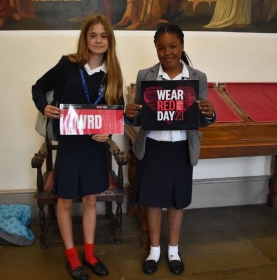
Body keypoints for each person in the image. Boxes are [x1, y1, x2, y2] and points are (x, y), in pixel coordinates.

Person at [32, 14, 124, 280]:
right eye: (93, 35)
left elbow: (116, 115)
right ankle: (72, 256)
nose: (98, 40)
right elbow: (38, 87)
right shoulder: (67, 65)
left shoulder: (113, 74)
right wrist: (44, 106)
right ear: (85, 38)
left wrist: (107, 132)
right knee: (64, 201)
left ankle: (90, 254)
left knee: (90, 200)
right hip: (70, 145)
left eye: (103, 36)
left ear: (110, 40)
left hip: (95, 148)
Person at [124, 23, 215, 275]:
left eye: (173, 46)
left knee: (177, 202)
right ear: (155, 49)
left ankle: (173, 251)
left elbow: (202, 118)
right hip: (152, 147)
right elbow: (141, 117)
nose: (167, 52)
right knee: (152, 202)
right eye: (161, 47)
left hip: (181, 149)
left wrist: (209, 113)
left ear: (182, 46)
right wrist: (129, 114)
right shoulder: (146, 76)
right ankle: (154, 250)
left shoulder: (198, 77)